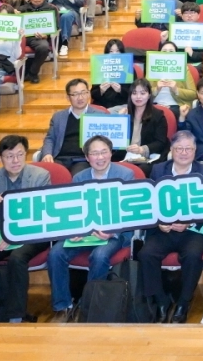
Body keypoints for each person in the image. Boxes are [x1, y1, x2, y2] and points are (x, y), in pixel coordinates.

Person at [47, 135, 136, 322]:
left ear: (111, 153)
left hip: (113, 233)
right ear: (87, 157)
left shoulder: (125, 175)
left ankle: (89, 306)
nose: (100, 157)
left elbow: (131, 211)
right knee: (56, 253)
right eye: (95, 153)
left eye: (104, 152)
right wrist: (75, 230)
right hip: (83, 233)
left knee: (100, 256)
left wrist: (112, 231)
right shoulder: (80, 177)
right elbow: (73, 210)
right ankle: (63, 306)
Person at [0, 134, 51, 323]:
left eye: (20, 155)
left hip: (33, 233)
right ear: (0, 159)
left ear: (26, 155)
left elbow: (41, 213)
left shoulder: (40, 176)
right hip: (2, 233)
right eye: (9, 156)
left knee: (17, 258)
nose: (15, 160)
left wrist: (15, 234)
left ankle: (16, 314)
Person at [139, 131, 203, 323]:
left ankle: (183, 302)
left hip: (193, 231)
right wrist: (159, 222)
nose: (183, 152)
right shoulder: (157, 170)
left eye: (188, 149)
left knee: (193, 256)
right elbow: (149, 202)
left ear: (195, 151)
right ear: (171, 150)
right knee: (146, 255)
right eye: (179, 148)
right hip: (162, 230)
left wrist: (189, 222)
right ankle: (161, 301)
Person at [39, 78, 97, 174]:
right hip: (60, 158)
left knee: (78, 178)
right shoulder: (58, 116)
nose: (80, 97)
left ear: (88, 94)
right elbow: (50, 138)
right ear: (68, 97)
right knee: (49, 176)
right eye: (75, 94)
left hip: (83, 160)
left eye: (83, 93)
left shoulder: (99, 115)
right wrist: (47, 154)